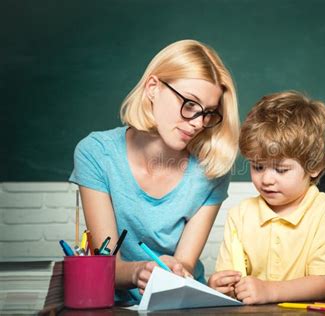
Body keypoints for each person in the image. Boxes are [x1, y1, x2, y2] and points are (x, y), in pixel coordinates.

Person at [69, 39, 239, 303]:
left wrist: (177, 269)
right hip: (113, 305)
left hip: (180, 303)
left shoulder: (212, 168)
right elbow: (107, 262)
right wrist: (139, 271)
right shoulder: (96, 153)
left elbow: (185, 262)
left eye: (208, 113)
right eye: (190, 104)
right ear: (153, 88)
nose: (197, 123)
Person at [208, 91, 325, 304]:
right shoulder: (240, 215)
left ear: (314, 166)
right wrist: (221, 286)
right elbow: (234, 279)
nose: (266, 179)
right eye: (258, 166)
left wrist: (270, 291)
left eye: (281, 169)